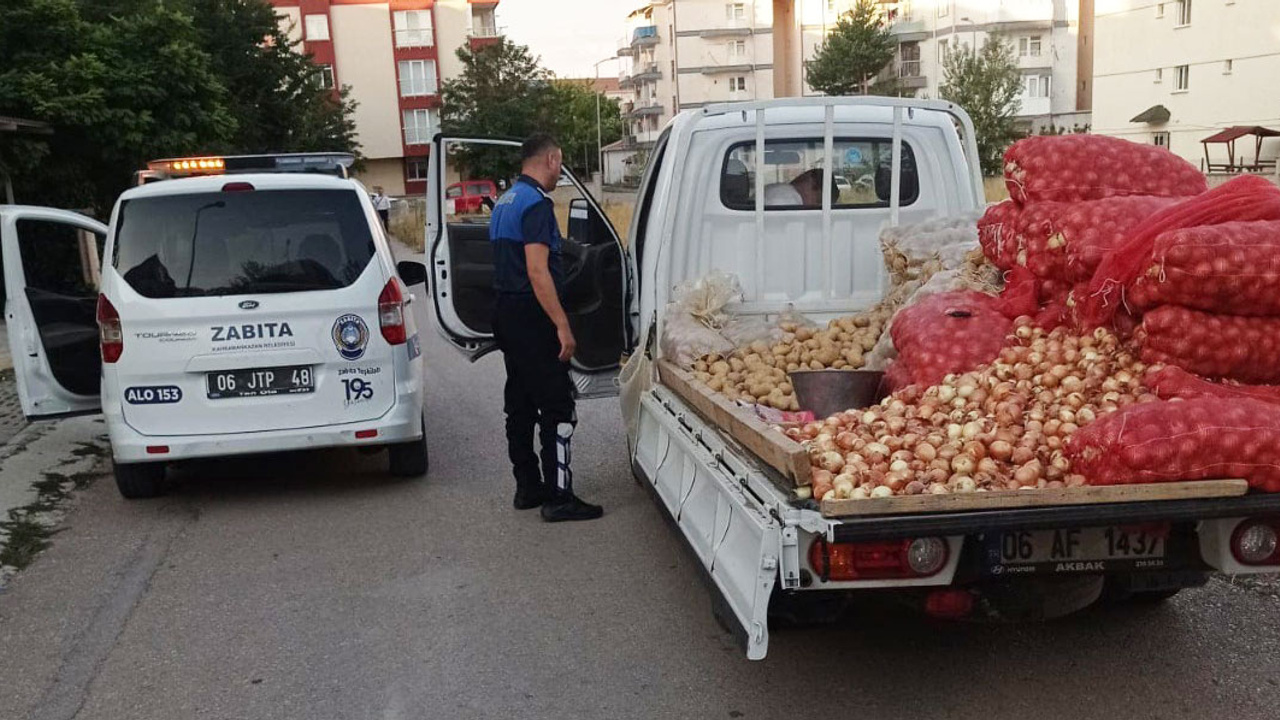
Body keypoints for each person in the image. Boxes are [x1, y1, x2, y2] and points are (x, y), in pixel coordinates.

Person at [488, 133, 603, 522]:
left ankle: (528, 486)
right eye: (561, 164)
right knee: (557, 405)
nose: (559, 173)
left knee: (519, 403)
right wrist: (562, 325)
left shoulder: (505, 201)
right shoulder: (537, 204)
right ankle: (559, 497)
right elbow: (538, 271)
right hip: (531, 315)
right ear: (552, 159)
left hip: (505, 311)